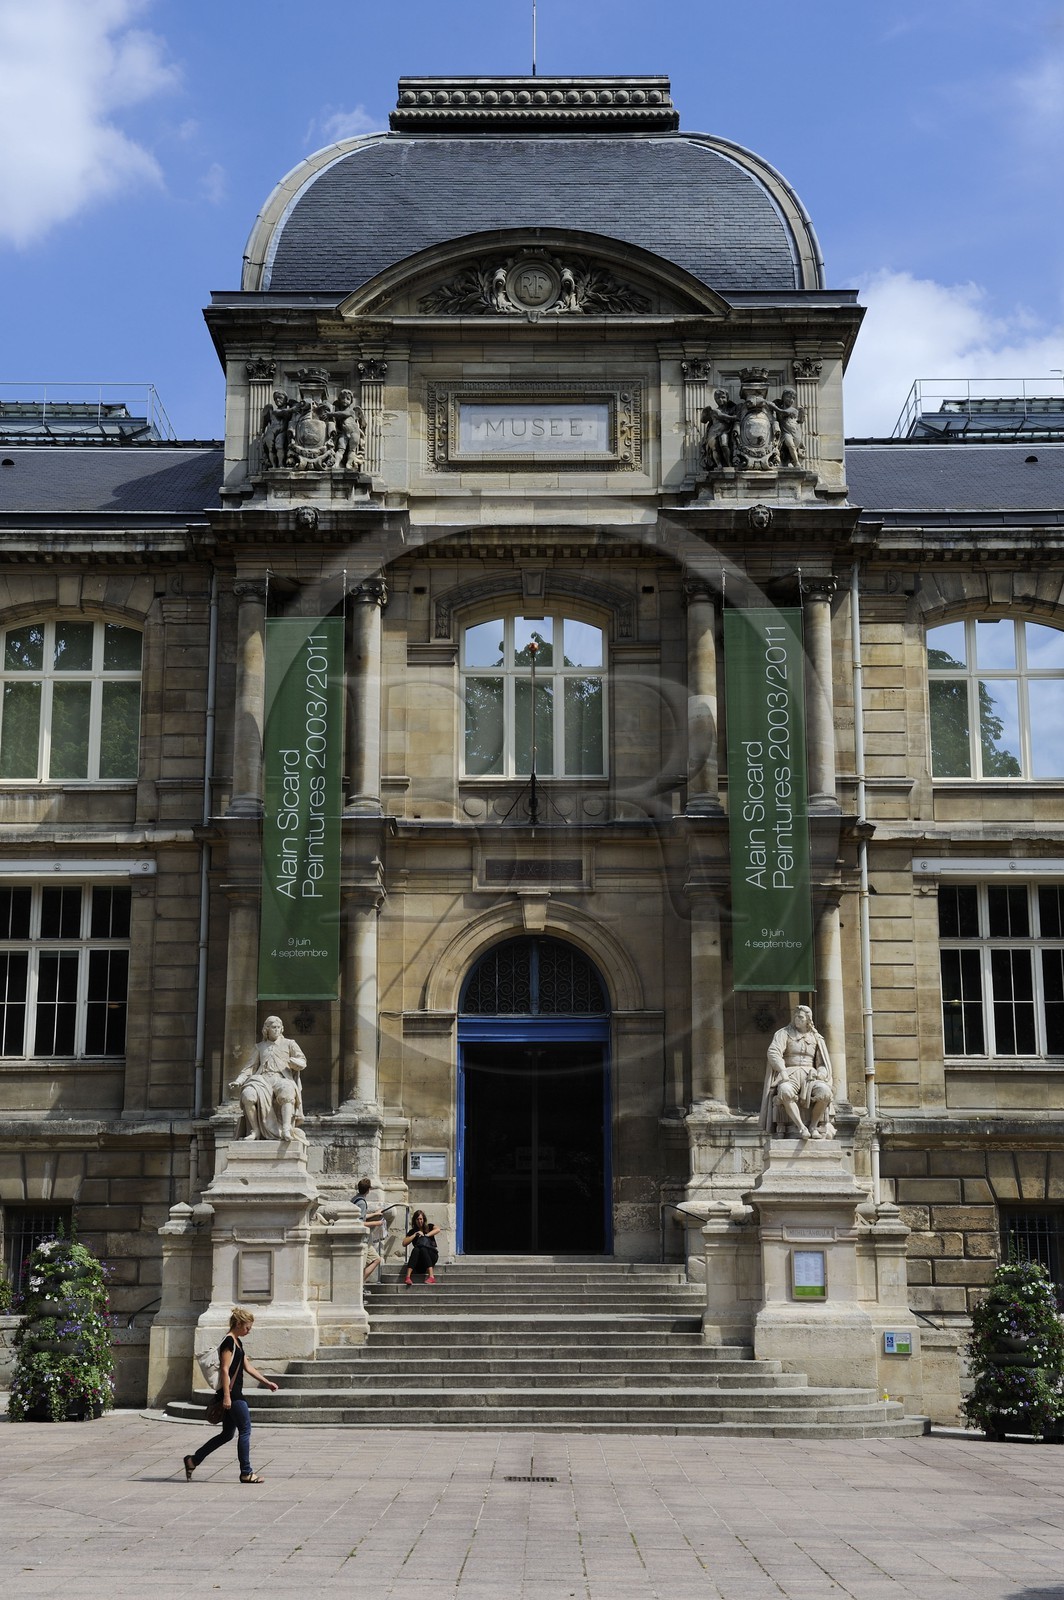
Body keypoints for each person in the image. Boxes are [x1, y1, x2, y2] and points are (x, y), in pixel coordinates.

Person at [183, 1308, 278, 1484]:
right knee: (245, 1430)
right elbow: (225, 1370)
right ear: (239, 1324)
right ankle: (246, 1472)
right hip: (233, 1395)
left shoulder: (238, 1342)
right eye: (247, 1328)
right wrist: (227, 1396)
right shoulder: (228, 1342)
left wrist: (267, 1383)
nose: (249, 1331)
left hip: (233, 1394)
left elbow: (247, 1367)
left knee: (227, 1434)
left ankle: (193, 1460)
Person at [760, 1004, 836, 1140]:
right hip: (790, 1072)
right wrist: (782, 1071)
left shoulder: (817, 1038)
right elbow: (773, 1052)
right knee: (784, 1091)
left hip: (810, 1075)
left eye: (800, 1017)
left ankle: (813, 1126)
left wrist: (821, 1074)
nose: (797, 1019)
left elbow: (822, 1063)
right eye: (795, 1016)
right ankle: (802, 1127)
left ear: (808, 1019)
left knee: (825, 1093)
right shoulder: (783, 1033)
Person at [230, 1015, 306, 1142]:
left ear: (282, 1028)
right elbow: (249, 1067)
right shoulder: (259, 1047)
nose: (276, 1030)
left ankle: (286, 1129)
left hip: (282, 1078)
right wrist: (238, 1080)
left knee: (287, 1092)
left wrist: (295, 1063)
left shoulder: (290, 1044)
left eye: (278, 1027)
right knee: (247, 1096)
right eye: (273, 1027)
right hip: (262, 1080)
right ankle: (255, 1131)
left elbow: (302, 1061)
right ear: (267, 1030)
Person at [352, 1176, 400, 1283]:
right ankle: (359, 1283)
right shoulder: (362, 1202)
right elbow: (359, 1222)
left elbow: (361, 1216)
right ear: (369, 1190)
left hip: (363, 1240)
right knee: (375, 1259)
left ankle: (359, 1283)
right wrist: (377, 1222)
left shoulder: (355, 1199)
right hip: (363, 1240)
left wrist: (375, 1214)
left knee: (375, 1259)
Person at [403, 1209, 441, 1286]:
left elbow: (438, 1229)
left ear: (424, 1219)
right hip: (420, 1261)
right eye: (417, 1219)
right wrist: (415, 1234)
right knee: (416, 1249)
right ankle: (408, 1277)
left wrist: (426, 1235)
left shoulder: (429, 1227)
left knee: (423, 1248)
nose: (419, 1221)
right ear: (415, 1221)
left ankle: (431, 1276)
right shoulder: (412, 1232)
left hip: (432, 1256)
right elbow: (404, 1243)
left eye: (421, 1219)